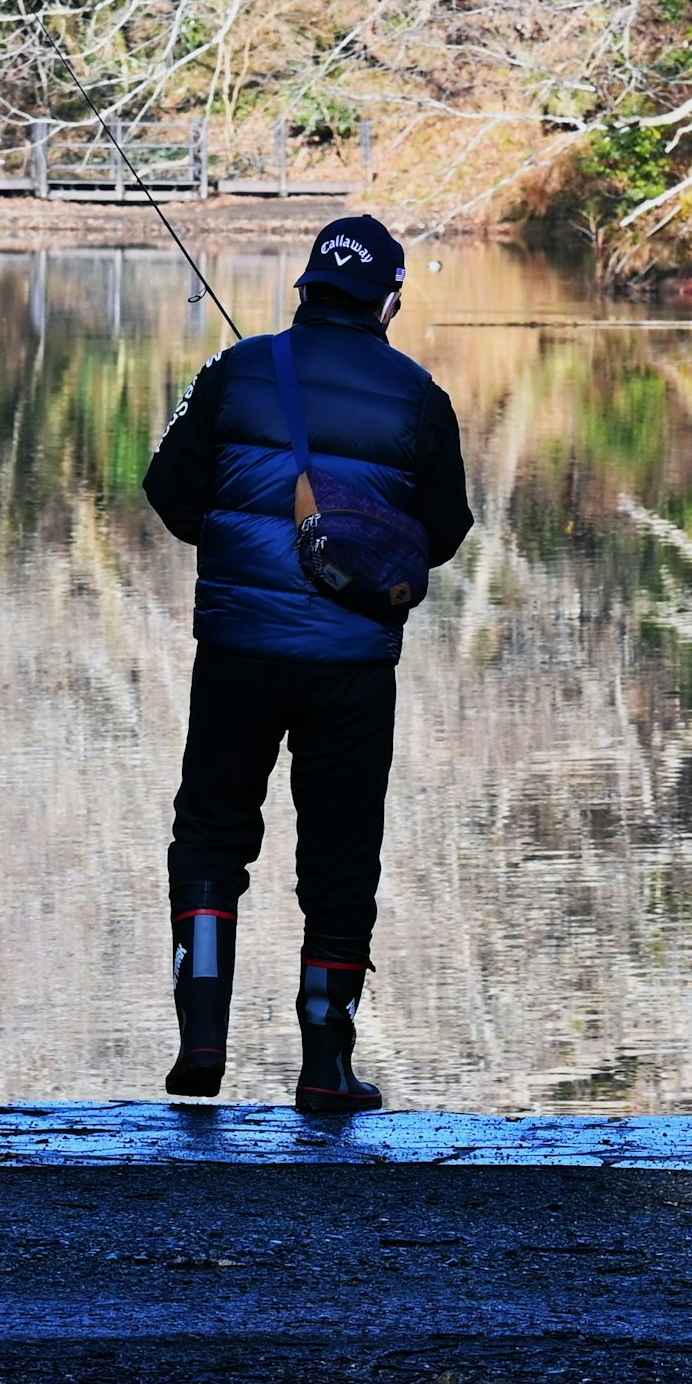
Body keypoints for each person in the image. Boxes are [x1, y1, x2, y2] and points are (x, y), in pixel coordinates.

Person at [142, 216, 473, 1112]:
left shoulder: (234, 372)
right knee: (339, 857)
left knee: (212, 835)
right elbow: (442, 535)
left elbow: (169, 494)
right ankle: (325, 1066)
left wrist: (244, 542)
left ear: (305, 285)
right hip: (352, 665)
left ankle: (201, 1044)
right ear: (390, 300)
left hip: (238, 651)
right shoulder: (419, 396)